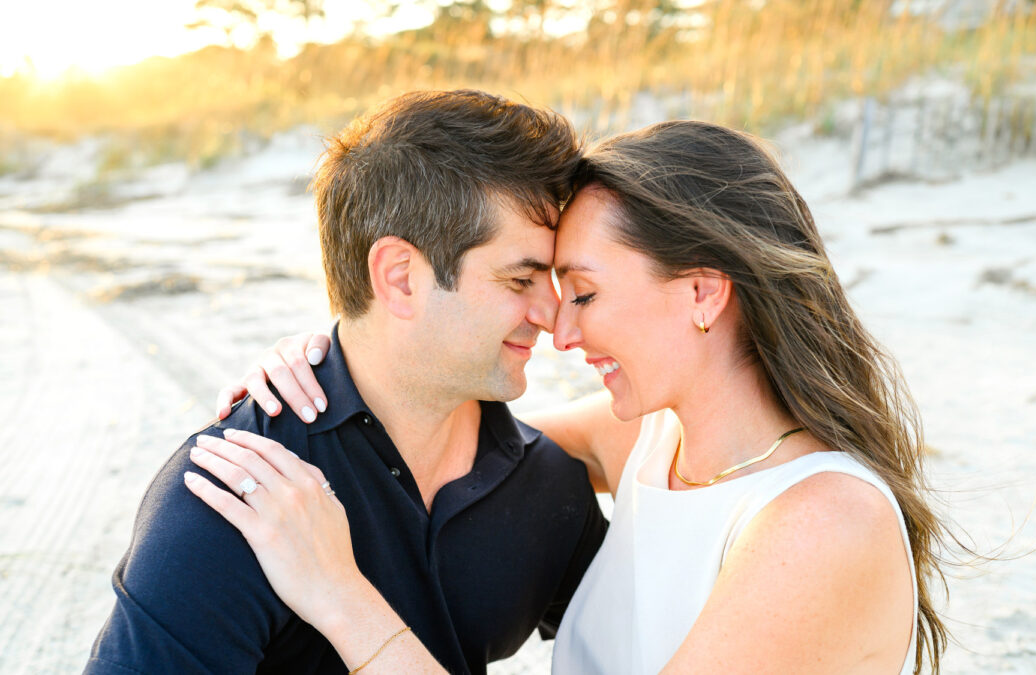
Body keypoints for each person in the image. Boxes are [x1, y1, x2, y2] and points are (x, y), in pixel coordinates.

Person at [204, 119, 954, 674]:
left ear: (701, 291)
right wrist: (327, 361)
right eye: (545, 288)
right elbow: (428, 440)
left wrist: (338, 594)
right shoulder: (654, 440)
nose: (560, 328)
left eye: (584, 293)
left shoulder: (821, 524)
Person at [85, 90, 610, 675]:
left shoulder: (548, 487)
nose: (555, 315)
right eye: (521, 280)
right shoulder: (242, 494)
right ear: (401, 278)